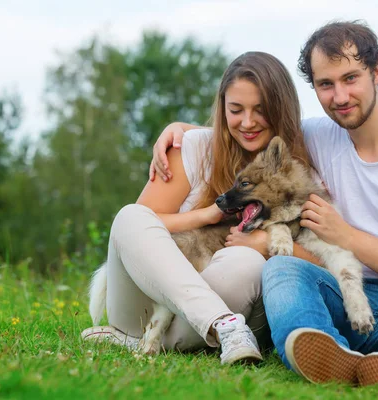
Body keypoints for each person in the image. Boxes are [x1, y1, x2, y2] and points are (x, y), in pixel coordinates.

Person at [150, 21, 378, 387]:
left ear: (377, 71)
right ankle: (326, 349)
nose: (339, 97)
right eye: (326, 84)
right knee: (281, 271)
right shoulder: (316, 135)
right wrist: (180, 129)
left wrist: (346, 236)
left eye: (350, 78)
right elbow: (248, 130)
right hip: (333, 289)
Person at [80, 51, 318, 365]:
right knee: (130, 217)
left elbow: (321, 260)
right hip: (145, 306)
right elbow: (135, 238)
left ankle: (136, 341)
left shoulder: (300, 172)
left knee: (248, 262)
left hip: (221, 309)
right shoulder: (193, 148)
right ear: (223, 109)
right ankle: (220, 325)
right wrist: (207, 215)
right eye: (236, 110)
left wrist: (264, 245)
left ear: (281, 110)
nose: (247, 122)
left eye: (260, 110)